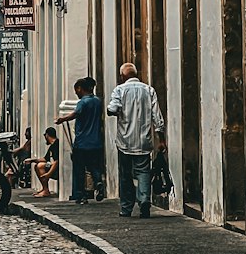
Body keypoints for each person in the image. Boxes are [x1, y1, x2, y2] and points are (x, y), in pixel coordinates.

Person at [107, 62, 165, 218]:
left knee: (125, 175)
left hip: (125, 141)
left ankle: (126, 208)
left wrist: (113, 110)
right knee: (143, 172)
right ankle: (144, 200)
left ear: (122, 76)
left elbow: (112, 109)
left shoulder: (119, 90)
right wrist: (161, 139)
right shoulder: (149, 90)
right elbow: (157, 116)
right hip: (144, 141)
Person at [57, 77, 106, 203]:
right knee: (94, 166)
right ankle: (98, 182)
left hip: (82, 142)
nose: (76, 93)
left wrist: (62, 119)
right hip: (96, 142)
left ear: (80, 88)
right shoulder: (97, 101)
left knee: (80, 170)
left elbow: (76, 114)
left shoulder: (83, 102)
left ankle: (82, 195)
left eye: (76, 90)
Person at [32, 127, 59, 197]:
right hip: (54, 168)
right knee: (37, 165)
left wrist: (49, 174)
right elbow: (45, 159)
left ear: (47, 135)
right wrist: (32, 160)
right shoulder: (52, 146)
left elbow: (56, 161)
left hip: (57, 169)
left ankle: (46, 190)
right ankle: (44, 188)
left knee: (40, 166)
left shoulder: (56, 144)